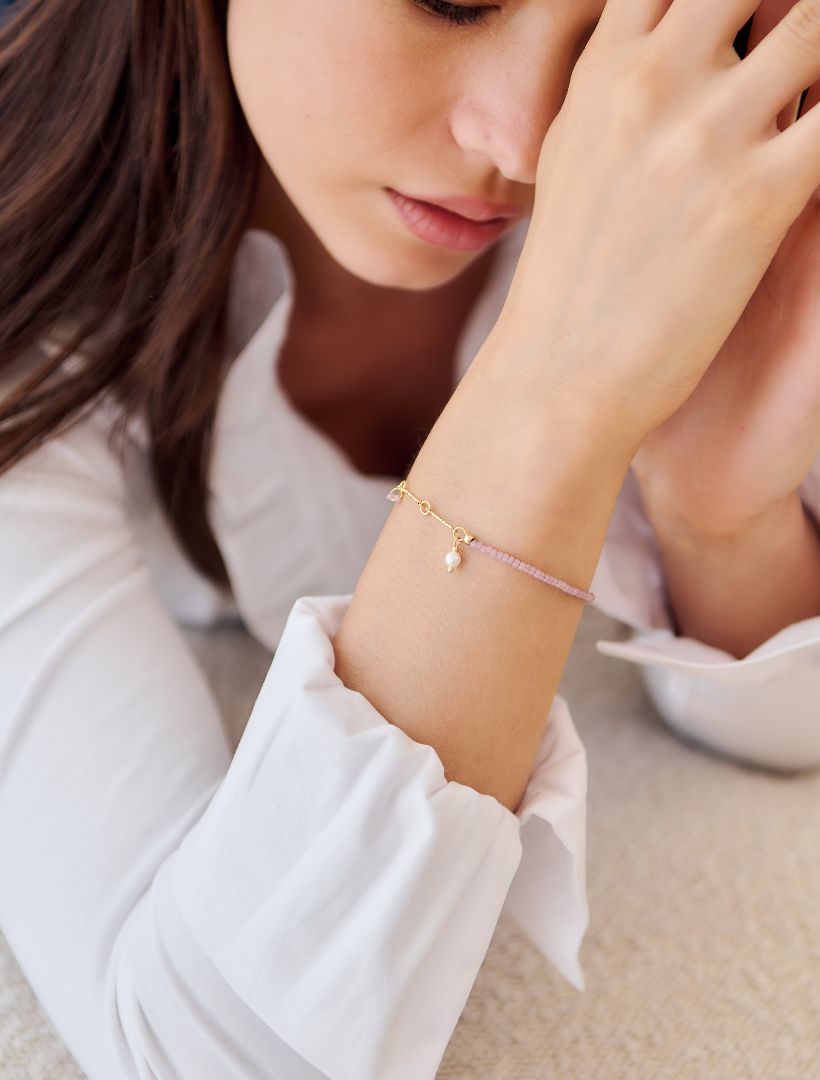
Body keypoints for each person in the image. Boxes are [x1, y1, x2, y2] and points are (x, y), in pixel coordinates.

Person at [2, 1, 820, 1077]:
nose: (525, 144)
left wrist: (715, 519)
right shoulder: (32, 311)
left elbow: (787, 727)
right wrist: (555, 397)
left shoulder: (682, 172)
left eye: (605, 30)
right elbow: (205, 1054)